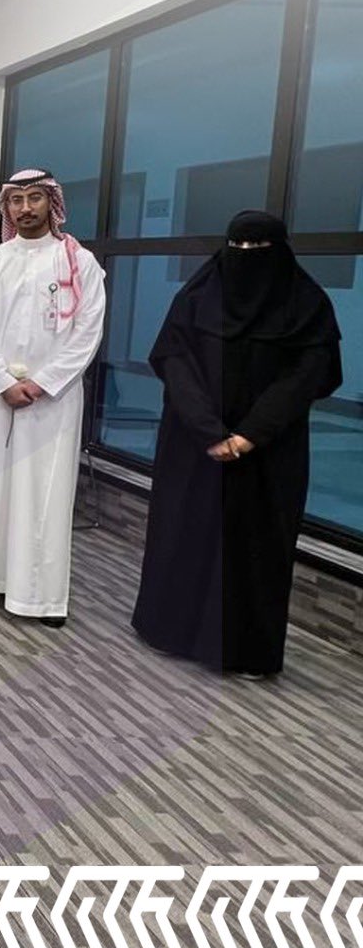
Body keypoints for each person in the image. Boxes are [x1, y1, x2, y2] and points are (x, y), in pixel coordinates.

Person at [132, 211, 342, 677]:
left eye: (258, 250)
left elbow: (307, 376)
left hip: (269, 451)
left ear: (280, 251)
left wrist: (250, 434)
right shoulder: (197, 297)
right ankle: (169, 630)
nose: (246, 258)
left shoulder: (307, 305)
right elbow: (174, 360)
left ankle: (245, 652)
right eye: (238, 247)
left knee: (256, 547)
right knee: (183, 533)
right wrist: (209, 430)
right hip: (194, 444)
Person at [0, 169, 106, 626]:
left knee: (44, 494)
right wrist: (2, 382)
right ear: (6, 209)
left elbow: (87, 332)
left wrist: (41, 383)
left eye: (34, 198)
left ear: (51, 203)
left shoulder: (79, 263)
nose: (25, 208)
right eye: (15, 201)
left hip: (52, 400)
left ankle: (38, 597)